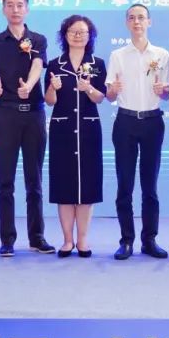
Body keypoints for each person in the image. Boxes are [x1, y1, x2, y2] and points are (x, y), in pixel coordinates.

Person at [0, 0, 55, 257]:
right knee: (6, 181)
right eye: (10, 5)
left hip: (34, 114)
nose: (15, 10)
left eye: (20, 5)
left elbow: (37, 65)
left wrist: (30, 85)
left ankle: (37, 237)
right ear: (3, 9)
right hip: (5, 114)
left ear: (27, 9)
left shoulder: (37, 39)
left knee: (34, 180)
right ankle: (7, 239)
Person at [105, 3, 169, 260]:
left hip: (152, 122)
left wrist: (163, 91)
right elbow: (110, 95)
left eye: (141, 17)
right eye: (132, 18)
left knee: (150, 185)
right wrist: (113, 90)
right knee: (125, 184)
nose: (137, 22)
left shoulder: (162, 55)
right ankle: (126, 240)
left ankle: (149, 239)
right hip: (125, 122)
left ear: (149, 22)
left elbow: (167, 94)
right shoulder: (118, 55)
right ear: (126, 23)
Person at [44, 15, 108, 258]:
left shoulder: (97, 64)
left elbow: (101, 97)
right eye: (73, 31)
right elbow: (49, 101)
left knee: (86, 186)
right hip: (62, 131)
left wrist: (88, 88)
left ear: (90, 36)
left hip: (89, 130)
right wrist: (53, 88)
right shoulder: (54, 64)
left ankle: (82, 239)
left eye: (83, 32)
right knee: (64, 185)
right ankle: (67, 240)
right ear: (65, 35)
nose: (78, 35)